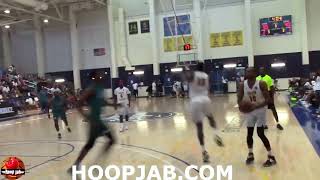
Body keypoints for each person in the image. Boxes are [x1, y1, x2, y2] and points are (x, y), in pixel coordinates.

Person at [69, 71, 116, 172]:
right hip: (95, 122)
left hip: (99, 121)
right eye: (99, 74)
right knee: (91, 144)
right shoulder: (91, 89)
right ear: (94, 77)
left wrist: (113, 105)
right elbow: (78, 103)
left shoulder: (100, 88)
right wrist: (85, 116)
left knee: (106, 141)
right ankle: (84, 165)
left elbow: (102, 102)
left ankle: (80, 165)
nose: (102, 75)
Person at [184, 62, 224, 163]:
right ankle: (216, 134)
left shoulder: (193, 74)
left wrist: (186, 67)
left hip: (195, 101)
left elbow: (187, 77)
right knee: (211, 118)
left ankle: (204, 151)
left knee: (199, 126)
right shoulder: (206, 76)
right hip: (206, 99)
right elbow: (207, 89)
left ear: (196, 67)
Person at [238, 67, 277, 167]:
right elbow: (239, 99)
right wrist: (242, 106)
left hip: (260, 110)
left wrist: (256, 105)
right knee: (249, 133)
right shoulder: (242, 84)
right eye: (247, 71)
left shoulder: (261, 83)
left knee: (260, 133)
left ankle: (271, 156)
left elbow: (268, 100)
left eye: (250, 71)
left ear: (255, 73)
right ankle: (250, 154)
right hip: (250, 111)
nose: (247, 72)